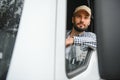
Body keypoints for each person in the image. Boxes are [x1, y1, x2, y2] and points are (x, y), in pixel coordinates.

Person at [65, 5, 96, 71]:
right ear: (73, 19)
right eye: (79, 16)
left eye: (86, 18)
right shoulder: (62, 34)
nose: (82, 20)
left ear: (89, 22)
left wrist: (73, 40)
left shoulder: (91, 37)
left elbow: (99, 43)